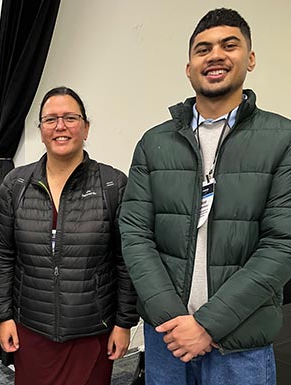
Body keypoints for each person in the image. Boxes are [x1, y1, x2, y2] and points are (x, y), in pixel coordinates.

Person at [119, 8, 291, 385]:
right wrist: (174, 319)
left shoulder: (283, 139)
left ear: (250, 58)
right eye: (203, 49)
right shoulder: (154, 142)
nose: (215, 55)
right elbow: (134, 234)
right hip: (168, 338)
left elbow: (283, 244)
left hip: (240, 343)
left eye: (229, 45)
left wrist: (207, 325)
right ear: (189, 67)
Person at [0, 86, 138, 385]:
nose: (60, 126)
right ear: (41, 130)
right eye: (50, 119)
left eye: (70, 118)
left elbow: (126, 261)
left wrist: (124, 323)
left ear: (86, 127)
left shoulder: (113, 185)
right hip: (31, 328)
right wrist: (3, 317)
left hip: (93, 329)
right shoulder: (16, 184)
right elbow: (2, 256)